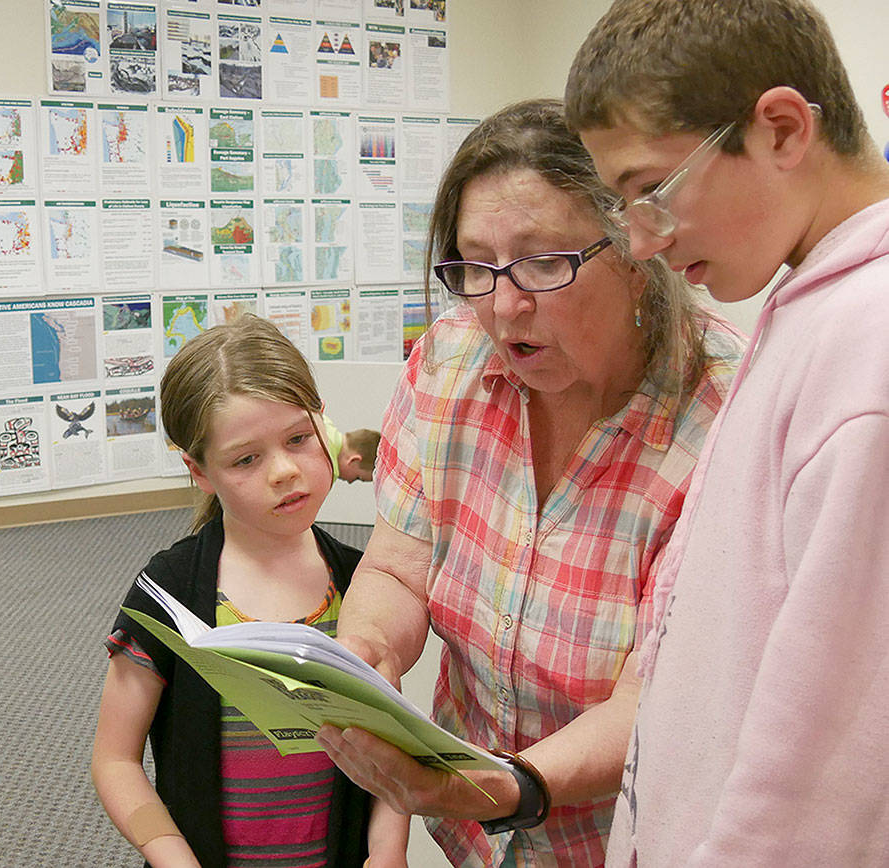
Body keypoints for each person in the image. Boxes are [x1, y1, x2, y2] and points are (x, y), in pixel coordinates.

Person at [313, 98, 746, 867]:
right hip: (476, 827)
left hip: (630, 837)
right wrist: (368, 647)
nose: (503, 307)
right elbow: (396, 564)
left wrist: (515, 786)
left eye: (543, 262)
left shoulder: (726, 415)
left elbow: (664, 699)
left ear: (637, 250)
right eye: (474, 267)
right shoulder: (452, 362)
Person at [564, 1, 889, 864]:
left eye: (653, 193)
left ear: (781, 129)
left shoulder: (870, 345)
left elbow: (826, 760)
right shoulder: (809, 299)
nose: (639, 240)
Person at [91, 314, 408, 867]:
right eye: (246, 459)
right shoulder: (171, 590)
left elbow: (394, 744)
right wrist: (170, 856)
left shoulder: (366, 584)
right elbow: (115, 760)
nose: (285, 470)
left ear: (323, 425)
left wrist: (388, 848)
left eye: (298, 439)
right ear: (199, 470)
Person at [321, 418, 381, 483]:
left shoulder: (324, 420)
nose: (350, 482)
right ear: (354, 460)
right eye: (357, 477)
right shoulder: (328, 473)